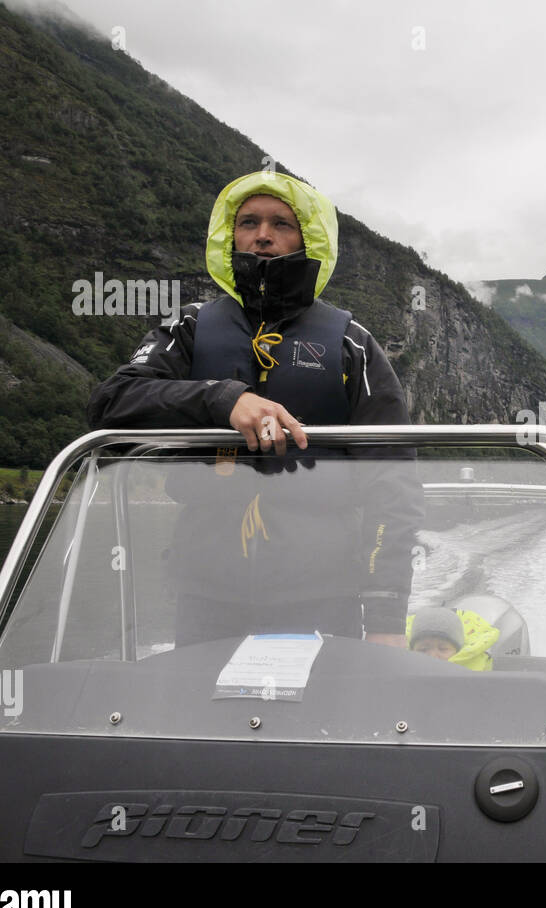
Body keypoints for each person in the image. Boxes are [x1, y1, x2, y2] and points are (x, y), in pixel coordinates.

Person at [87, 171, 421, 647]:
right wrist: (223, 399)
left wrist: (387, 614)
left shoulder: (352, 345)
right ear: (230, 234)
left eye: (282, 224)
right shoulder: (189, 329)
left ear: (310, 241)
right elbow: (110, 404)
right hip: (204, 596)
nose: (262, 235)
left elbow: (394, 484)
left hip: (322, 596)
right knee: (196, 720)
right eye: (248, 222)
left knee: (321, 722)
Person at [407, 607, 501, 671]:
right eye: (423, 650)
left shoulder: (477, 676)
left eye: (442, 649)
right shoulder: (401, 672)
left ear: (459, 651)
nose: (433, 657)